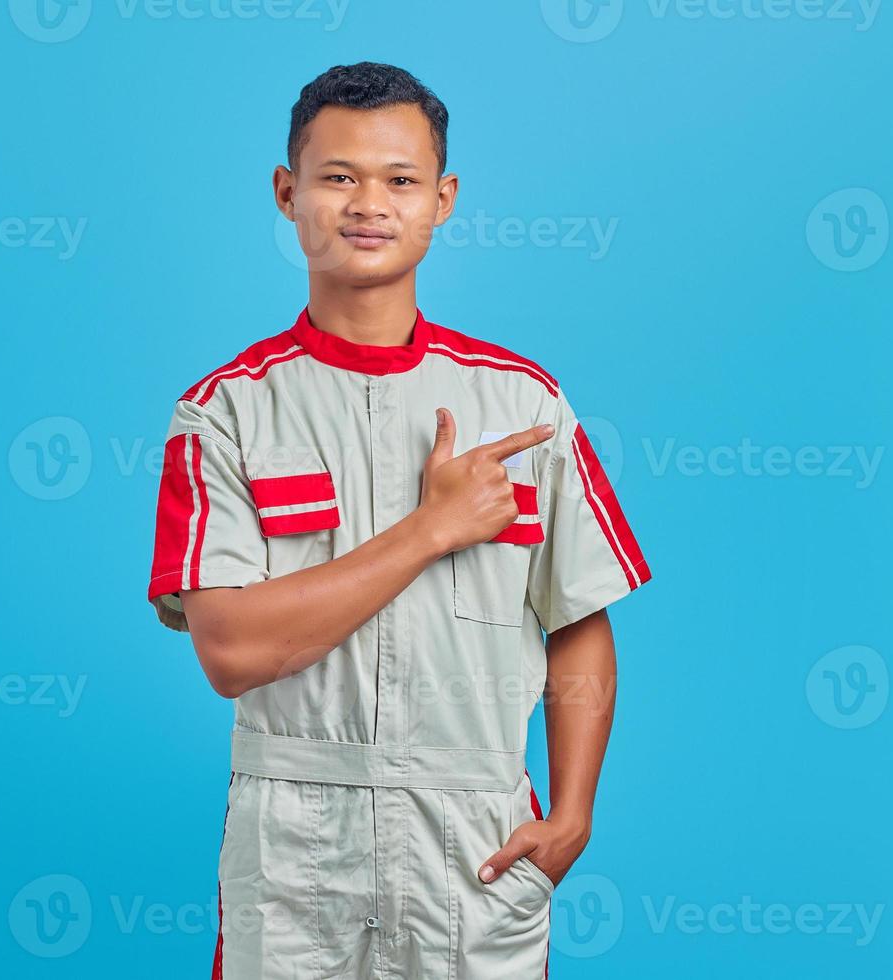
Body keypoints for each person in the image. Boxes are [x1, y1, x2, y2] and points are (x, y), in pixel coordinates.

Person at [147, 61, 652, 979]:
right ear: (287, 192)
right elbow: (230, 651)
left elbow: (579, 619)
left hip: (476, 841)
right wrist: (431, 528)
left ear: (443, 199)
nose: (367, 204)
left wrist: (573, 811)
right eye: (338, 176)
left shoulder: (523, 403)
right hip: (299, 846)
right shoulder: (225, 413)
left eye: (400, 180)